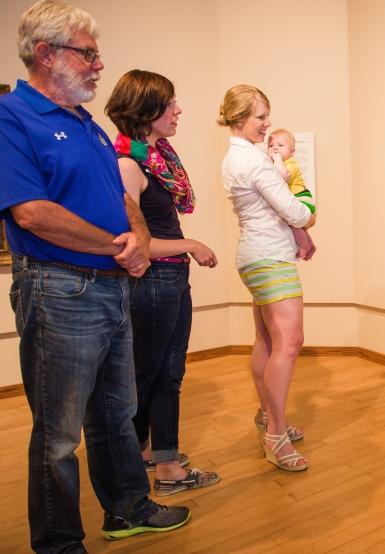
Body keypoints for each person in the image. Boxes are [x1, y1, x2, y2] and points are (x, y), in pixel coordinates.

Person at [0, 1, 190, 550]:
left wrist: (138, 239)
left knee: (117, 410)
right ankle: (59, 542)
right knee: (58, 435)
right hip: (57, 287)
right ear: (46, 54)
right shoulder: (12, 116)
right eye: (88, 54)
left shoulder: (87, 123)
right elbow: (31, 212)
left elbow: (121, 196)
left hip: (110, 286)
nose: (99, 65)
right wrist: (119, 246)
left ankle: (127, 508)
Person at [105, 70, 221, 496]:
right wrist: (190, 242)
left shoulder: (157, 157)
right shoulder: (128, 164)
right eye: (170, 103)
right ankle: (144, 466)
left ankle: (161, 459)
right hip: (153, 280)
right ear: (146, 109)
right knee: (150, 375)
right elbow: (135, 242)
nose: (178, 110)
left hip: (170, 279)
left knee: (165, 373)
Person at [218, 85, 315, 472]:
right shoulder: (254, 162)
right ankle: (276, 434)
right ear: (240, 118)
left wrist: (298, 226)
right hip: (269, 259)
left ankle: (268, 416)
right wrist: (307, 217)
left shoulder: (240, 156)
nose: (267, 123)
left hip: (256, 255)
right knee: (290, 342)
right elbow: (295, 209)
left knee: (266, 340)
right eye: (261, 117)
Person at [267, 128, 316, 260]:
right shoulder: (279, 164)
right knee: (299, 226)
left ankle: (304, 246)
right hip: (301, 198)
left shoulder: (290, 164)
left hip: (302, 198)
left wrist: (277, 159)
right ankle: (310, 244)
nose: (275, 149)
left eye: (280, 145)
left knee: (291, 222)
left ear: (292, 152)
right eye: (271, 146)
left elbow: (284, 177)